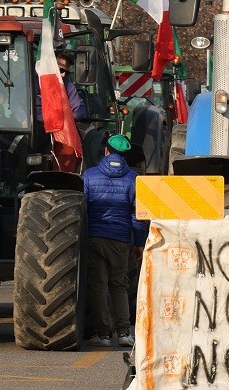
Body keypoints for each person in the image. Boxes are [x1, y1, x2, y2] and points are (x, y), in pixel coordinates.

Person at [83, 134, 147, 348]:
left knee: (98, 285)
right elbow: (137, 216)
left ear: (106, 151)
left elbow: (83, 211)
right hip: (120, 240)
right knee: (119, 285)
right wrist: (139, 243)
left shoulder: (89, 176)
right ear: (125, 156)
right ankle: (123, 333)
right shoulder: (133, 179)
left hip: (95, 237)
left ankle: (102, 335)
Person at [36, 52, 87, 122]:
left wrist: (73, 116)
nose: (63, 75)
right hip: (34, 126)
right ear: (50, 66)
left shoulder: (66, 83)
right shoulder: (31, 79)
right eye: (61, 70)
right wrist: (23, 120)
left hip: (58, 125)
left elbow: (80, 108)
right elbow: (18, 103)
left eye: (67, 72)